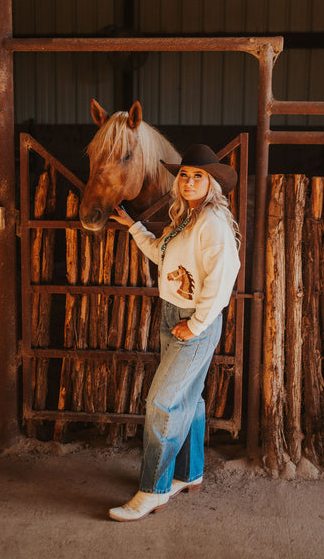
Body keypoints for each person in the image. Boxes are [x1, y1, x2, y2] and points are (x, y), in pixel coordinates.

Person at [108, 143, 241, 522]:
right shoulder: (186, 219)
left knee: (162, 403)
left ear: (212, 183)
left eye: (199, 176)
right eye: (184, 174)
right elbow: (162, 255)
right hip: (174, 315)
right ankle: (189, 472)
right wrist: (133, 227)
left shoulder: (213, 223)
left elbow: (223, 279)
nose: (189, 181)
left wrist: (196, 324)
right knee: (188, 398)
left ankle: (153, 490)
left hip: (194, 321)